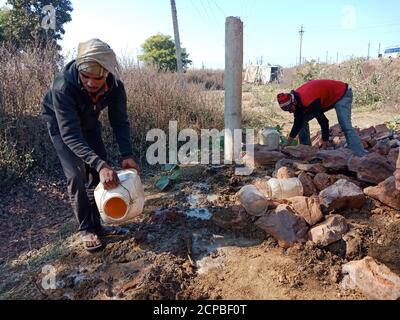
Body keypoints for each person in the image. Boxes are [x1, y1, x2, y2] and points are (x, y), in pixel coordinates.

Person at [42, 39, 141, 252]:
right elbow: (69, 133)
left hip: (89, 122)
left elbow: (120, 121)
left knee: (96, 177)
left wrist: (127, 153)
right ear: (79, 70)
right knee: (76, 175)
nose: (89, 82)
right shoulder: (63, 87)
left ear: (106, 74)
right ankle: (86, 229)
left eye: (95, 78)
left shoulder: (116, 88)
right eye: (84, 77)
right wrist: (100, 164)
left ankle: (99, 224)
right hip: (62, 126)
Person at [277, 79, 367, 157]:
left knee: (345, 126)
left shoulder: (308, 100)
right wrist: (287, 144)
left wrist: (325, 143)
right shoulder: (297, 102)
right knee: (302, 121)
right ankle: (306, 149)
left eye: (289, 108)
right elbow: (297, 123)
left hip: (342, 94)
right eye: (286, 110)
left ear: (294, 102)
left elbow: (324, 122)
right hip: (326, 98)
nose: (289, 111)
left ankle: (360, 154)